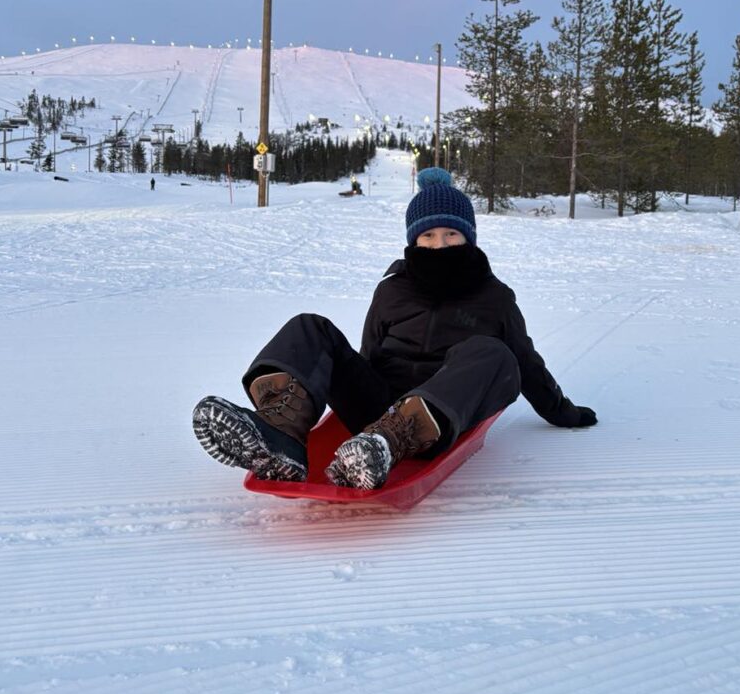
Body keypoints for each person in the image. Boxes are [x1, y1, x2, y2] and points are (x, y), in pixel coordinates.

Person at [192, 168, 597, 490]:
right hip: (378, 411)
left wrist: (562, 411)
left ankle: (391, 441)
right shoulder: (392, 290)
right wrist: (348, 396)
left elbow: (525, 363)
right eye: (429, 235)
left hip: (442, 417)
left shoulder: (495, 297)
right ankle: (281, 435)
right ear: (413, 240)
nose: (440, 245)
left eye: (451, 234)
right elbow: (369, 357)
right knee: (309, 327)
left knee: (495, 354)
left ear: (469, 237)